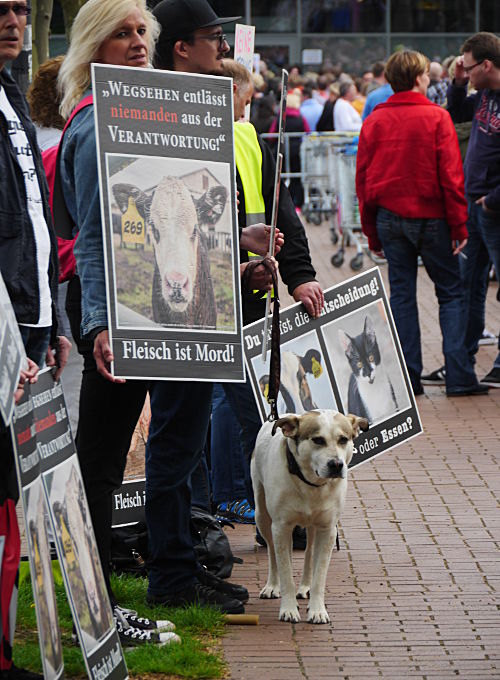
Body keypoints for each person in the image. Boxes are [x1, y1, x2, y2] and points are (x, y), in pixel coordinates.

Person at [58, 0, 247, 637]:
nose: (139, 42)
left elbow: (196, 224)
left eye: (143, 31)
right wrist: (97, 325)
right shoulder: (91, 125)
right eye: (122, 33)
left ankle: (172, 570)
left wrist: (237, 258)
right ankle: (93, 597)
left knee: (179, 446)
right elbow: (90, 239)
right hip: (119, 318)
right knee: (103, 458)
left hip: (184, 316)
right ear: (93, 46)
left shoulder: (171, 119)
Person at [0, 2, 71, 677]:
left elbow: (34, 219)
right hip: (3, 334)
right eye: (2, 9)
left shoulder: (11, 93)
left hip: (30, 323)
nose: (14, 19)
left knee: (14, 492)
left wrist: (51, 326)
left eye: (21, 7)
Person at [356, 49, 488, 398]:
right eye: (426, 76)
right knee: (451, 293)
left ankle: (409, 376)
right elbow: (450, 176)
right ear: (418, 79)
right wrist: (460, 226)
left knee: (402, 295)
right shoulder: (435, 117)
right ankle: (459, 375)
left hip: (389, 217)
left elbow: (364, 179)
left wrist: (370, 231)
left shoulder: (375, 120)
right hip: (431, 217)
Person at [443, 32, 500, 388]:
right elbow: (457, 111)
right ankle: (461, 361)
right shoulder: (485, 96)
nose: (464, 70)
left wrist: (493, 199)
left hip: (491, 206)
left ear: (487, 65)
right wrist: (458, 83)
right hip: (476, 204)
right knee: (468, 283)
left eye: (468, 66)